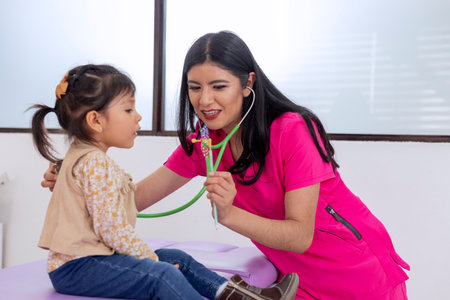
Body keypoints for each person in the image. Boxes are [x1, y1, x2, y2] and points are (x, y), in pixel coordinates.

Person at [42, 31, 410, 299]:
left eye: (219, 86)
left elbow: (300, 235)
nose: (204, 100)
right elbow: (133, 201)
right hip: (292, 281)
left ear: (247, 83)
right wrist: (77, 187)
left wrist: (230, 214)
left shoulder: (292, 130)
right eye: (194, 87)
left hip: (354, 274)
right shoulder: (204, 143)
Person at [31, 64, 299, 300]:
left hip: (89, 261)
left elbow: (92, 198)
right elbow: (111, 230)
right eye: (128, 109)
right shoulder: (94, 163)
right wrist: (149, 260)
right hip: (78, 268)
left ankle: (241, 296)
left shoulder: (81, 157)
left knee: (178, 260)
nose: (138, 117)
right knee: (161, 275)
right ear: (96, 120)